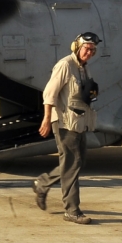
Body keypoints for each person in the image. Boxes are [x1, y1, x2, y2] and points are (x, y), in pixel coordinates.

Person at [34, 32, 101, 225]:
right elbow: (49, 94)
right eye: (87, 48)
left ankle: (42, 183)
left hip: (78, 123)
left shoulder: (84, 68)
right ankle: (72, 210)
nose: (90, 53)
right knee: (73, 163)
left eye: (93, 50)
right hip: (64, 122)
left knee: (77, 163)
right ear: (77, 47)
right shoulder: (65, 65)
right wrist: (46, 119)